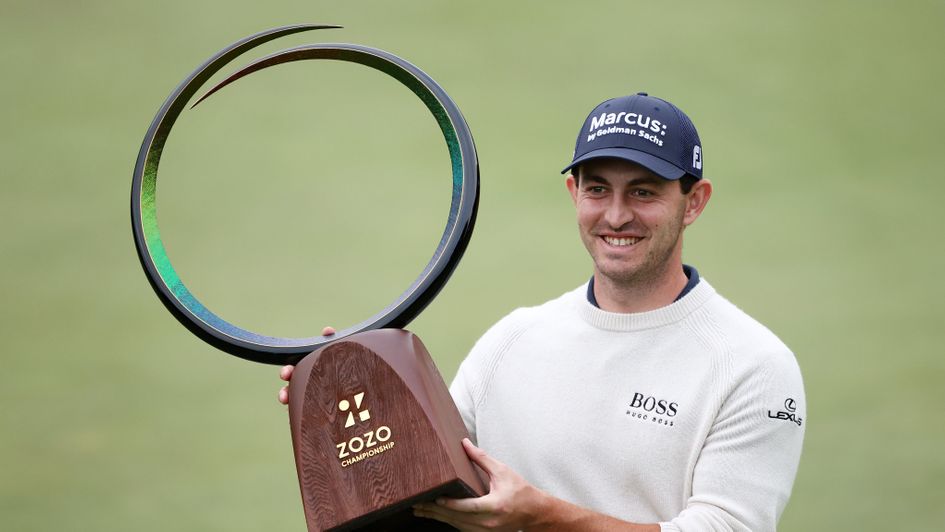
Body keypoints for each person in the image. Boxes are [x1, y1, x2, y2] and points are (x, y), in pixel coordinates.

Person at [279, 92, 805, 531]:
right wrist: (342, 406)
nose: (616, 215)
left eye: (643, 192)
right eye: (598, 189)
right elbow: (420, 488)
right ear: (574, 192)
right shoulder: (512, 340)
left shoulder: (752, 365)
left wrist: (544, 516)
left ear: (694, 202)